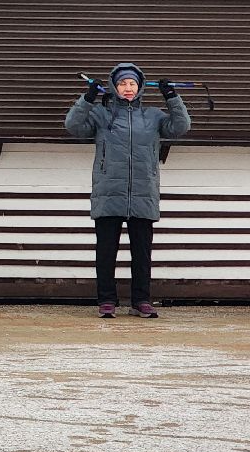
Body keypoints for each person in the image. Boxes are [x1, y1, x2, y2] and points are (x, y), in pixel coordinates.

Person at [66, 62, 191, 318]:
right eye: (123, 83)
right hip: (109, 192)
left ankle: (141, 301)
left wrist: (172, 97)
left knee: (142, 254)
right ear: (114, 86)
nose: (128, 88)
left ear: (140, 86)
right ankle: (106, 301)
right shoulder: (101, 116)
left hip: (143, 194)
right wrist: (87, 99)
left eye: (132, 83)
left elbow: (181, 127)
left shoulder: (153, 116)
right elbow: (74, 126)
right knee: (106, 252)